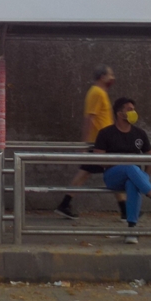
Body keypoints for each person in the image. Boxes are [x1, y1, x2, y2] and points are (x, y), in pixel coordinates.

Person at [93, 97, 151, 244]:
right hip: (112, 176)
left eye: (133, 109)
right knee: (130, 166)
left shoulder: (140, 134)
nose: (133, 112)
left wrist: (144, 177)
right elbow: (99, 159)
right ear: (119, 113)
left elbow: (150, 157)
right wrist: (122, 164)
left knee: (132, 183)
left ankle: (132, 230)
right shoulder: (106, 133)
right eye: (129, 109)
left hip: (134, 176)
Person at [55, 65, 127, 220]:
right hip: (99, 143)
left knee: (90, 172)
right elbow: (90, 118)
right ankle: (125, 210)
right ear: (102, 76)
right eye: (110, 74)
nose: (113, 78)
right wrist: (85, 143)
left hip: (102, 142)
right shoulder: (96, 93)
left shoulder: (100, 93)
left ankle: (65, 204)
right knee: (113, 171)